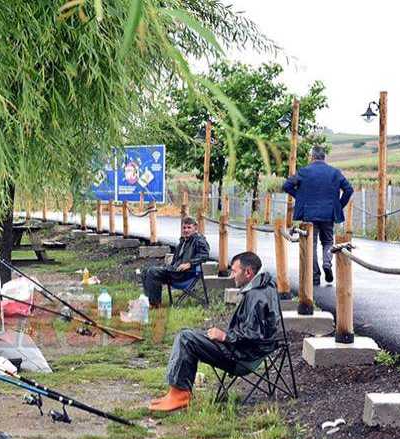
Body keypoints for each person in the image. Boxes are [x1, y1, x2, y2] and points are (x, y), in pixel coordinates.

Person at [149, 251, 279, 413]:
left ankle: (180, 395)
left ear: (248, 272)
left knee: (186, 338)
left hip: (242, 357)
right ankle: (176, 392)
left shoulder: (256, 295)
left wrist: (225, 336)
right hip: (249, 351)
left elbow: (254, 334)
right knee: (188, 334)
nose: (232, 276)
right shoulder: (266, 286)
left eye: (234, 271)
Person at [282, 145, 353, 285]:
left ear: (312, 157)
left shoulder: (304, 171)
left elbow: (286, 186)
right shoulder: (335, 172)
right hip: (328, 214)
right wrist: (338, 205)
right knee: (327, 242)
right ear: (324, 157)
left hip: (309, 214)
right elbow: (349, 189)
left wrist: (301, 198)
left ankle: (315, 276)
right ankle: (327, 263)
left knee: (311, 244)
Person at [140, 216, 210, 307]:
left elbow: (205, 255)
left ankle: (155, 304)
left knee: (153, 272)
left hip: (185, 274)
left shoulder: (198, 240)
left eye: (189, 227)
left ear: (195, 228)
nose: (186, 230)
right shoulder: (183, 240)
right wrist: (170, 265)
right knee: (145, 271)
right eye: (184, 228)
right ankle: (150, 301)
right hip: (175, 271)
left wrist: (190, 264)